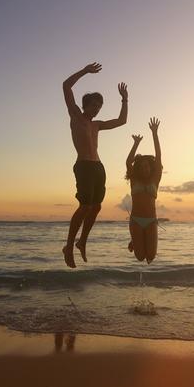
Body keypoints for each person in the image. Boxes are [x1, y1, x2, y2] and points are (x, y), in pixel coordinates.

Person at [62, 62, 128, 268]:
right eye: (94, 105)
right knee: (84, 206)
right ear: (85, 105)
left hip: (98, 166)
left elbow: (121, 121)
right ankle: (69, 245)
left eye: (99, 106)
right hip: (83, 166)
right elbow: (66, 86)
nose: (97, 109)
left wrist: (125, 99)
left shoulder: (96, 125)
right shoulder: (75, 116)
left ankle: (83, 241)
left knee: (96, 206)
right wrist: (84, 71)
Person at [125, 117, 162, 264]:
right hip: (136, 220)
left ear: (151, 168)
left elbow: (158, 156)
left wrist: (154, 133)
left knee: (150, 258)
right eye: (142, 167)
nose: (145, 169)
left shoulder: (155, 180)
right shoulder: (135, 180)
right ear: (138, 169)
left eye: (147, 167)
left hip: (151, 220)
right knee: (140, 257)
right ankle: (135, 240)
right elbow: (128, 163)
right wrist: (135, 144)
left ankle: (136, 240)